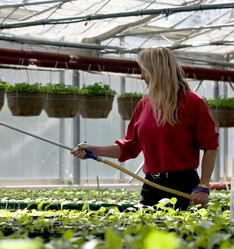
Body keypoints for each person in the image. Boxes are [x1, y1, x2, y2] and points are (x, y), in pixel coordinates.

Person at [71, 47, 218, 210]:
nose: (141, 76)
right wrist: (93, 150)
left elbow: (210, 146)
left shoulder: (192, 102)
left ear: (158, 71)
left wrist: (203, 186)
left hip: (183, 185)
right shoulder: (144, 104)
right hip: (151, 184)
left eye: (145, 71)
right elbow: (128, 147)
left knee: (181, 234)